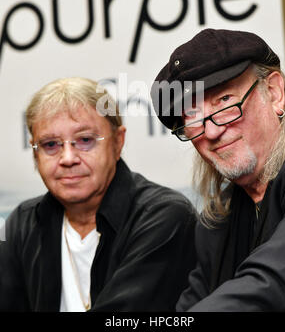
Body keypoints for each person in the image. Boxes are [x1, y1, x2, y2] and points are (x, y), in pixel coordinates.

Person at [0, 77, 197, 312]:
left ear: (117, 142)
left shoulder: (164, 216)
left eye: (84, 140)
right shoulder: (22, 223)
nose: (68, 158)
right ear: (35, 152)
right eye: (50, 145)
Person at [151, 28, 285, 312]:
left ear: (274, 93)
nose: (211, 130)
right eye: (193, 114)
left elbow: (276, 281)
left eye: (224, 100)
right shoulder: (217, 223)